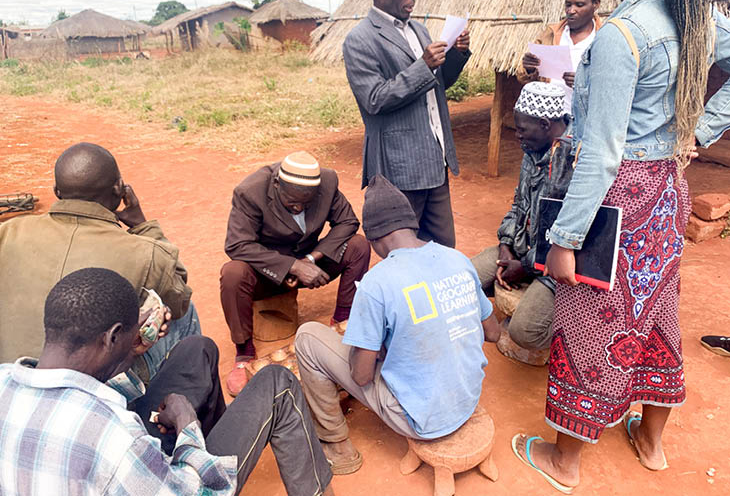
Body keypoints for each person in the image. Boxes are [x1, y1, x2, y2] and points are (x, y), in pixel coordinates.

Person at [511, 0, 730, 493]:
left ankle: (565, 461)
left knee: (590, 321)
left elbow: (603, 155)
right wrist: (697, 131)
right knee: (656, 312)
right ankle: (652, 442)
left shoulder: (621, 36)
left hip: (618, 200)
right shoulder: (692, 18)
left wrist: (564, 239)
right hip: (666, 193)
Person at [0, 267, 334, 496]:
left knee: (196, 349)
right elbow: (201, 492)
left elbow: (79, 397)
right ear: (113, 336)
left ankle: (215, 439)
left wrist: (130, 353)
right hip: (162, 480)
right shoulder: (116, 439)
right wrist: (188, 428)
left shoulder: (4, 380)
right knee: (277, 381)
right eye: (130, 332)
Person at [295, 175, 501, 474]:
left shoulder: (377, 283)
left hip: (419, 419)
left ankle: (337, 446)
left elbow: (362, 376)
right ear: (411, 224)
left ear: (375, 239)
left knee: (308, 338)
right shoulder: (457, 260)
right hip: (466, 400)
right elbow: (493, 333)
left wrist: (372, 348)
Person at [0, 142, 199, 382]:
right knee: (182, 314)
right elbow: (179, 301)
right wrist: (144, 226)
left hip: (10, 380)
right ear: (120, 189)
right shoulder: (146, 253)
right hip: (91, 386)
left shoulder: (8, 232)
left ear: (56, 191)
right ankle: (177, 406)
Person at [342, 0, 471, 248]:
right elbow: (374, 99)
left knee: (442, 248)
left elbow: (438, 84)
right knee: (403, 253)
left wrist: (456, 54)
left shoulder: (419, 29)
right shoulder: (361, 39)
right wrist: (423, 66)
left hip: (435, 160)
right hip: (398, 165)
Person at [221, 151, 370, 395]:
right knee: (233, 272)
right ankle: (244, 352)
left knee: (358, 246)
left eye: (307, 203)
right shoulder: (251, 192)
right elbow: (237, 244)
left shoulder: (327, 182)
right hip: (267, 272)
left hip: (311, 263)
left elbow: (347, 222)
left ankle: (342, 322)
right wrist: (291, 266)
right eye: (292, 203)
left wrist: (310, 260)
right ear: (277, 184)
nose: (299, 207)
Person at [471, 83, 573, 355]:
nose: (517, 135)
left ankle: (574, 335)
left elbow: (570, 237)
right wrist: (505, 245)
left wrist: (526, 267)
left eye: (522, 129)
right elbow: (518, 205)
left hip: (556, 267)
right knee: (462, 279)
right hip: (520, 250)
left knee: (525, 332)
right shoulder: (532, 152)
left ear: (544, 124)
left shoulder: (576, 160)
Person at [517, 0, 602, 114]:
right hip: (550, 120)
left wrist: (583, 84)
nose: (571, 10)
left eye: (579, 5)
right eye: (568, 5)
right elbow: (523, 77)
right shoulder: (550, 34)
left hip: (587, 121)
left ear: (596, 4)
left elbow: (614, 86)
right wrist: (528, 68)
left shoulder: (603, 38)